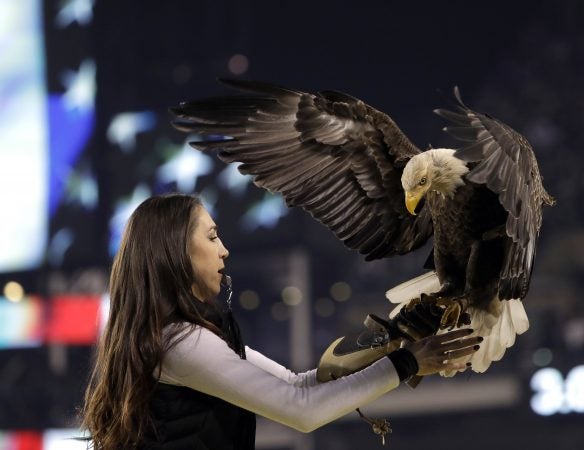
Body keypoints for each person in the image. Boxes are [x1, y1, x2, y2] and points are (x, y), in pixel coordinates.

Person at [81, 193, 481, 450]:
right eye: (212, 236)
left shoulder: (183, 336)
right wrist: (407, 363)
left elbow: (297, 383)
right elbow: (301, 410)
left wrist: (394, 339)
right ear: (176, 252)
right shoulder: (181, 344)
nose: (224, 250)